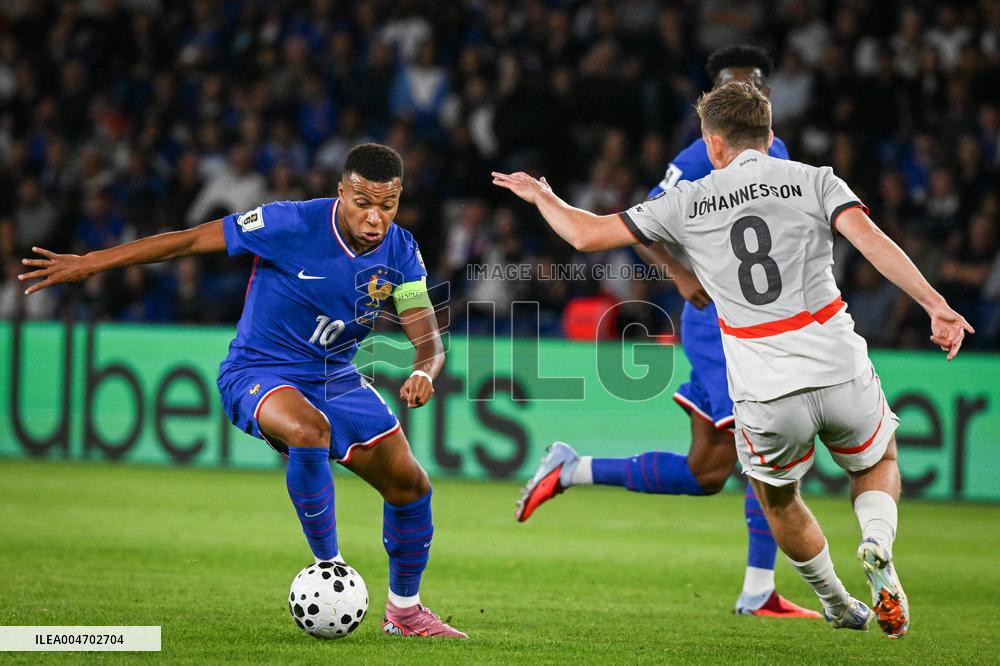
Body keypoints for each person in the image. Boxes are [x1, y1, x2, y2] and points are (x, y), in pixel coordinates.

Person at [493, 81, 972, 638]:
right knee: (876, 462)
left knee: (777, 500)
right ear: (768, 136)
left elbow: (585, 235)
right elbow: (872, 242)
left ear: (713, 143)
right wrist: (935, 305)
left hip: (765, 385)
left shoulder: (688, 201)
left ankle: (835, 599)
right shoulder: (815, 179)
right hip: (837, 360)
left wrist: (543, 197)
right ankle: (876, 541)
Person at [20, 143, 467, 639]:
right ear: (340, 192)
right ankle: (330, 570)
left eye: (388, 205)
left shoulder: (400, 251)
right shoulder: (288, 223)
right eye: (363, 202)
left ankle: (404, 612)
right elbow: (189, 242)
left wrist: (425, 372)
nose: (375, 218)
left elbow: (427, 337)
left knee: (410, 485)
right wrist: (92, 262)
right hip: (259, 370)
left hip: (335, 378)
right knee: (309, 429)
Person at [516, 45, 816, 620]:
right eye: (733, 84)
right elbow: (641, 222)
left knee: (707, 471)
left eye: (754, 83)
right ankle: (759, 590)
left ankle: (571, 468)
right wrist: (679, 274)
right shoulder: (700, 156)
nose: (746, 92)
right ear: (712, 99)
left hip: (753, 321)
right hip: (717, 323)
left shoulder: (776, 150)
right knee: (765, 444)